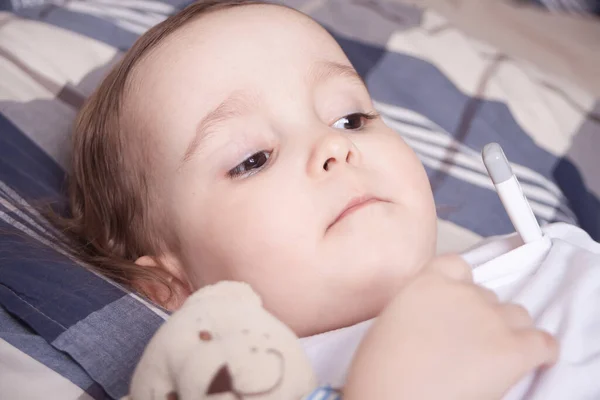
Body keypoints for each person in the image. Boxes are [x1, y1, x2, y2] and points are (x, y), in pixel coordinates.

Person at [63, 1, 600, 398]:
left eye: (351, 118)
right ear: (170, 284)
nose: (335, 145)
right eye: (254, 158)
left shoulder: (548, 252)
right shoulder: (232, 375)